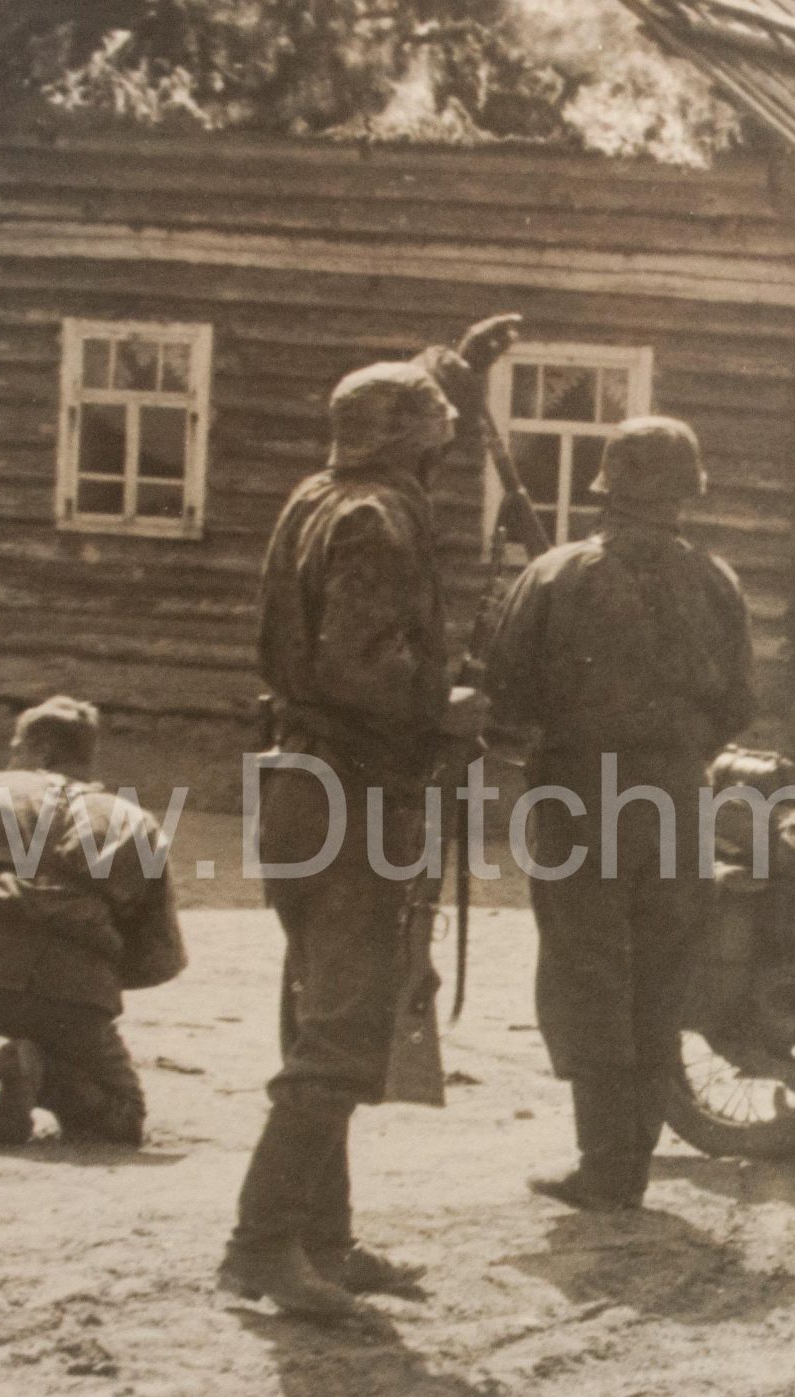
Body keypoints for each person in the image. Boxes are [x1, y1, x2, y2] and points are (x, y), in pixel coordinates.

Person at [219, 314, 519, 1320]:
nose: (445, 452)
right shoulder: (381, 522)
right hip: (350, 793)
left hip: (303, 785)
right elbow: (358, 665)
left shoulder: (319, 495)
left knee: (324, 1016)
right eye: (437, 436)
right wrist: (445, 704)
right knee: (344, 1031)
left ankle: (324, 1240)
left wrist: (456, 370)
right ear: (414, 444)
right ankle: (262, 1247)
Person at [485, 416, 754, 1212]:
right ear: (686, 492)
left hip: (581, 799)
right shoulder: (717, 580)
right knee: (660, 975)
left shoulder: (556, 574)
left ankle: (606, 1166)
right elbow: (739, 704)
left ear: (607, 486)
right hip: (679, 798)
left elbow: (506, 694)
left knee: (589, 971)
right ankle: (630, 1159)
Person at [0, 697, 186, 1148]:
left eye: (16, 748)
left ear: (42, 749)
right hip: (73, 998)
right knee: (124, 1119)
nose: (11, 758)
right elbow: (160, 953)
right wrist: (94, 978)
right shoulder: (138, 823)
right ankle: (43, 1075)